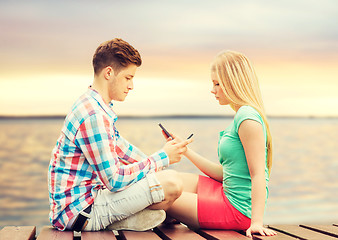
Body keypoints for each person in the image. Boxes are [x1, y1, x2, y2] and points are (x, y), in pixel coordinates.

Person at [48, 38, 192, 232]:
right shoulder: (94, 116)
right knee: (172, 184)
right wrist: (161, 158)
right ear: (109, 73)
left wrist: (162, 162)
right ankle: (122, 220)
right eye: (128, 77)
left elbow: (124, 152)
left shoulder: (96, 106)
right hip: (81, 212)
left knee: (168, 179)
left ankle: (133, 219)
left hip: (89, 200)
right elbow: (114, 180)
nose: (131, 85)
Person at [163, 51, 277, 238]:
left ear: (234, 83)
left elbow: (258, 175)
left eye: (217, 83)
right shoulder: (241, 115)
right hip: (225, 193)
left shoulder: (247, 118)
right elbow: (226, 174)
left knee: (158, 194)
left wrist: (256, 222)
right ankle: (166, 216)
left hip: (236, 210)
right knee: (166, 179)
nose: (212, 89)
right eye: (212, 83)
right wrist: (186, 151)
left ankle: (161, 215)